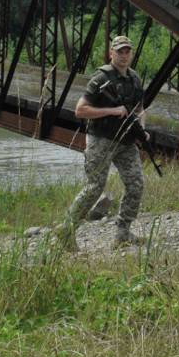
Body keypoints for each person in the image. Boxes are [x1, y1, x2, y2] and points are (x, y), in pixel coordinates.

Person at [56, 35, 149, 250]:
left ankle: (123, 233)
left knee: (136, 184)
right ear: (111, 54)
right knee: (95, 187)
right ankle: (67, 233)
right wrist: (111, 110)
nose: (124, 56)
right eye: (120, 52)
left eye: (127, 52)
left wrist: (142, 130)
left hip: (125, 141)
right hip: (101, 140)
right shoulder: (100, 78)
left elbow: (139, 110)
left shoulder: (134, 79)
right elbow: (80, 110)